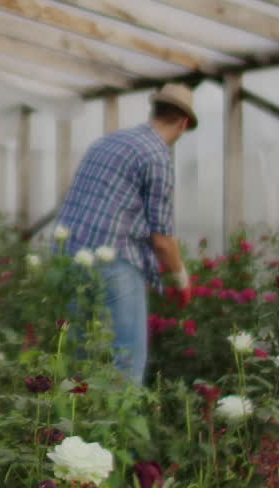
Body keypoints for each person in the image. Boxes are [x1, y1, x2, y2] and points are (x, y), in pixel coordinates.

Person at [50, 83, 196, 385]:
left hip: (68, 253)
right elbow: (162, 240)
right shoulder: (157, 155)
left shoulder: (108, 142)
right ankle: (117, 429)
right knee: (126, 358)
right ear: (183, 124)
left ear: (154, 110)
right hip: (112, 259)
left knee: (79, 352)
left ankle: (73, 426)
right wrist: (181, 279)